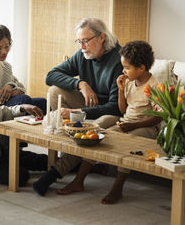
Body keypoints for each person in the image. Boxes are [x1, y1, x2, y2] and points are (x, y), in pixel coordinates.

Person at [56, 40, 162, 204]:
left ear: (141, 68)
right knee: (99, 136)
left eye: (127, 67)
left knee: (127, 141)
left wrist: (133, 125)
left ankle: (117, 188)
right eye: (123, 67)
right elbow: (122, 110)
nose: (123, 71)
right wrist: (120, 90)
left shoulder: (155, 86)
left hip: (146, 127)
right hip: (126, 121)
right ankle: (79, 181)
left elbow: (157, 117)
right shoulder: (128, 82)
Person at [32, 17, 123, 196]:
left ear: (101, 37)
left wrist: (79, 111)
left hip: (109, 112)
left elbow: (115, 107)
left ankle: (55, 173)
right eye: (79, 41)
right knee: (54, 91)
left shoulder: (118, 61)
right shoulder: (83, 55)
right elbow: (51, 75)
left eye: (85, 41)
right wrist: (80, 84)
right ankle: (70, 152)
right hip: (88, 104)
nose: (81, 46)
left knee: (100, 123)